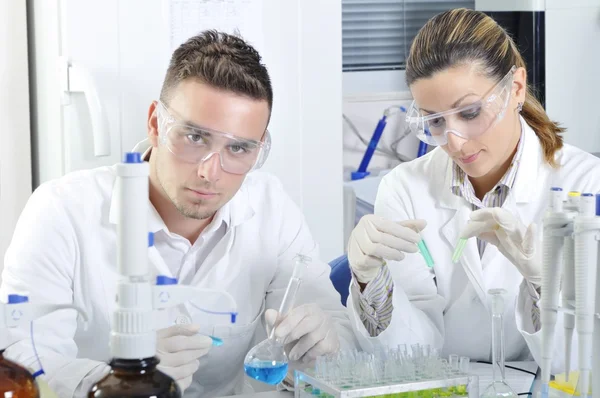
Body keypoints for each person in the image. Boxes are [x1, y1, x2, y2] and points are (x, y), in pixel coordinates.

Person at [0, 31, 358, 397]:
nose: (210, 172)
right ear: (156, 123)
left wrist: (327, 342)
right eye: (195, 137)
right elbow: (25, 363)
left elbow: (342, 340)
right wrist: (119, 377)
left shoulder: (272, 209)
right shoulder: (60, 213)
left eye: (238, 148)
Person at [345, 8, 600, 372]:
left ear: (515, 88)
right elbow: (407, 355)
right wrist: (371, 282)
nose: (455, 141)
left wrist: (542, 283)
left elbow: (579, 360)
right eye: (434, 121)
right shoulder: (404, 188)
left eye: (469, 113)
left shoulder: (586, 185)